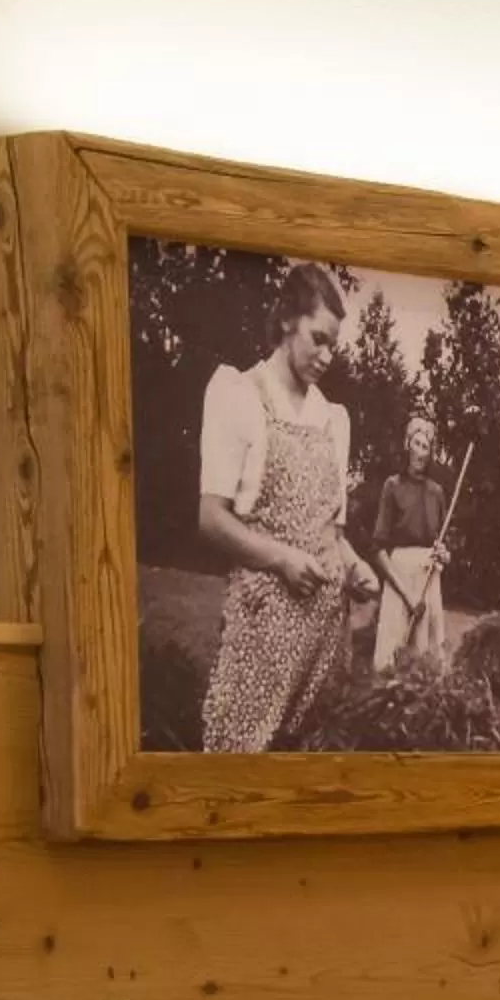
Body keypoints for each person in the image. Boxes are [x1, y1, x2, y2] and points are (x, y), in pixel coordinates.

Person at [193, 263, 369, 752]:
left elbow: (331, 531)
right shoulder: (240, 396)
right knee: (241, 762)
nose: (327, 356)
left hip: (324, 642)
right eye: (318, 339)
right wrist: (283, 559)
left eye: (334, 344)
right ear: (288, 320)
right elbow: (211, 519)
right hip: (262, 635)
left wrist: (355, 566)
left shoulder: (332, 419)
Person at [371, 418, 454, 670]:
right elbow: (378, 550)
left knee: (427, 658)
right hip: (399, 576)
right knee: (392, 656)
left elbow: (443, 545)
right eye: (416, 444)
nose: (420, 452)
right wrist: (408, 595)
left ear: (430, 453)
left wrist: (443, 553)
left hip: (428, 577)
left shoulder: (436, 492)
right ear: (407, 445)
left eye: (425, 446)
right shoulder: (392, 486)